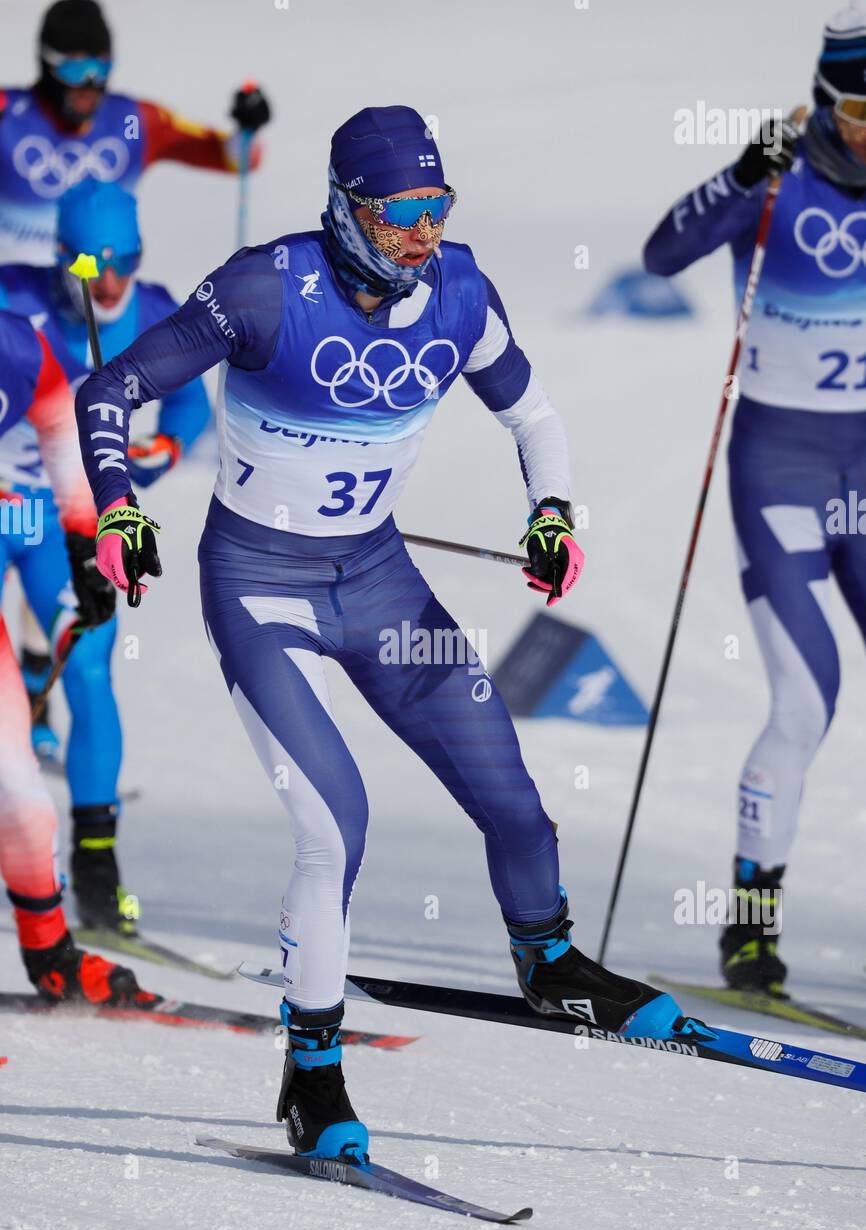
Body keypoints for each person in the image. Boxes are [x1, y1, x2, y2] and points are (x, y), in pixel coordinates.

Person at [75, 105, 681, 1162]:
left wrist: (550, 514)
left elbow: (531, 415)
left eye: (435, 207)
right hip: (259, 587)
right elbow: (111, 386)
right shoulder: (264, 288)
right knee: (333, 822)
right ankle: (312, 1073)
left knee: (512, 797)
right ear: (345, 207)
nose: (421, 232)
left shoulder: (458, 291)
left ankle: (547, 963)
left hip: (381, 583)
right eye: (398, 211)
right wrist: (121, 506)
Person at [644, 4, 866, 995]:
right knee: (804, 695)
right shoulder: (776, 175)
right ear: (825, 100)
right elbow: (659, 254)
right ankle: (748, 922)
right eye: (858, 105)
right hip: (778, 465)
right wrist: (737, 175)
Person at [0, 177, 211, 936]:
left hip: (77, 518)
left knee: (90, 664)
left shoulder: (156, 310)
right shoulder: (14, 300)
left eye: (126, 260)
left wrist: (168, 444)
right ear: (62, 259)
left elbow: (191, 401)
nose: (112, 281)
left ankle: (95, 866)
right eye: (94, 266)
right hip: (4, 507)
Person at [0, 307, 154, 1005]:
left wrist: (86, 541)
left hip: (24, 515)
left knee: (23, 794)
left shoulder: (16, 343)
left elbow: (61, 419)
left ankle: (57, 943)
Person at [0, 0, 270, 266]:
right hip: (12, 298)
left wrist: (248, 127)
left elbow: (235, 158)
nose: (90, 83)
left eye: (102, 66)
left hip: (102, 294)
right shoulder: (8, 114)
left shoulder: (132, 121)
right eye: (76, 69)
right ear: (48, 63)